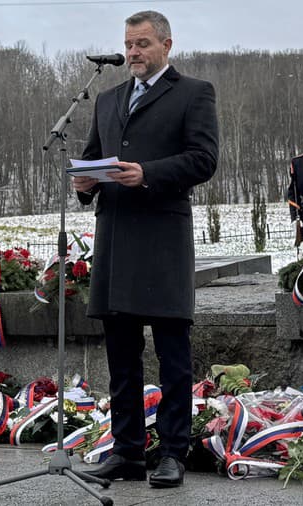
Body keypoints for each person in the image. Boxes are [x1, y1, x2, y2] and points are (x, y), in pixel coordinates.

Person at [74, 10, 218, 488]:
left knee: (173, 353)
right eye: (128, 44)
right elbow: (96, 155)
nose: (133, 53)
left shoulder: (193, 93)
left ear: (166, 45)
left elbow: (204, 159)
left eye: (142, 44)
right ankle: (128, 451)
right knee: (121, 354)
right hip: (115, 239)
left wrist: (149, 173)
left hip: (161, 239)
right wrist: (84, 184)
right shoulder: (109, 98)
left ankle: (175, 451)